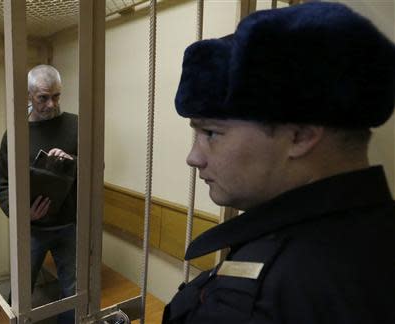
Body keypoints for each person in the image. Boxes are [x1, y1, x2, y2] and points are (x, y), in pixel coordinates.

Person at [163, 2, 395, 323]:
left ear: (299, 135)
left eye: (211, 133)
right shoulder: (373, 236)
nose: (194, 157)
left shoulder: (257, 302)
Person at [0, 65, 78, 324]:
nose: (51, 104)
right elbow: (2, 184)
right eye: (43, 97)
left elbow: (96, 169)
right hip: (31, 227)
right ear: (28, 96)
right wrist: (23, 215)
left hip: (70, 225)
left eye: (56, 96)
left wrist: (73, 161)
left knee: (73, 292)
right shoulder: (15, 135)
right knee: (20, 293)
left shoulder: (76, 125)